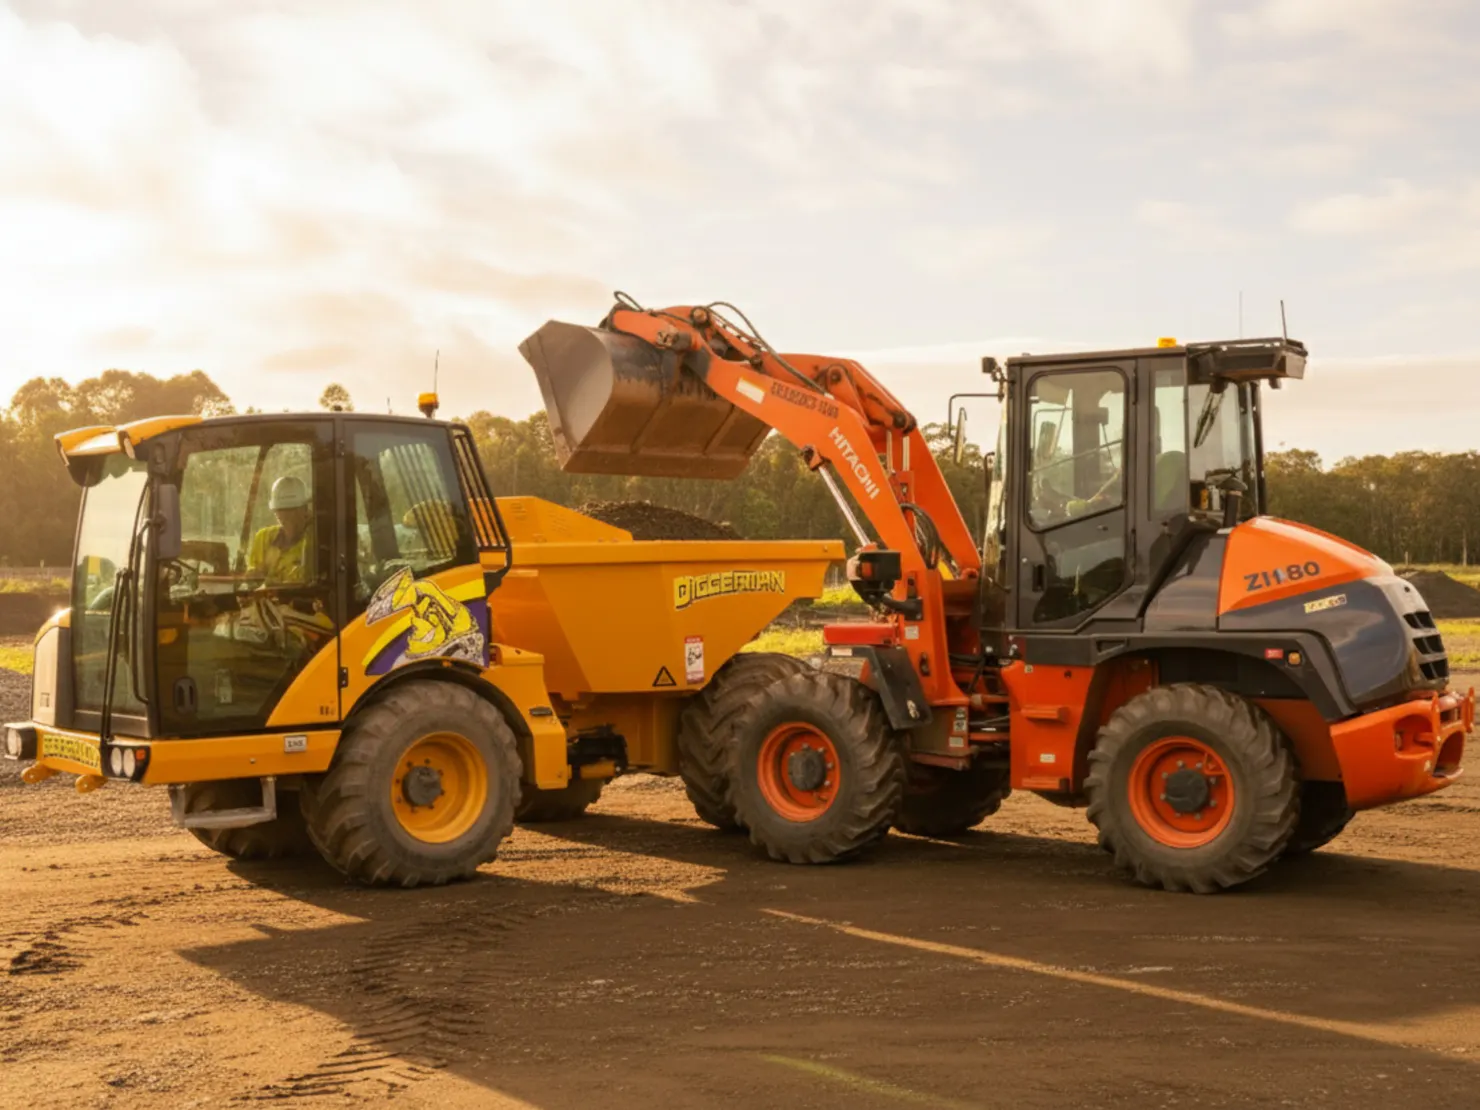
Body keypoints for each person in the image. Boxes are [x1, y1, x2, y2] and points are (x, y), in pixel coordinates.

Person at [246, 475, 315, 583]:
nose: (286, 516)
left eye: (292, 510)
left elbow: (302, 581)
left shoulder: (311, 545)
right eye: (281, 510)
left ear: (305, 510)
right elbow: (251, 577)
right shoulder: (263, 538)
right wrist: (253, 576)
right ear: (275, 512)